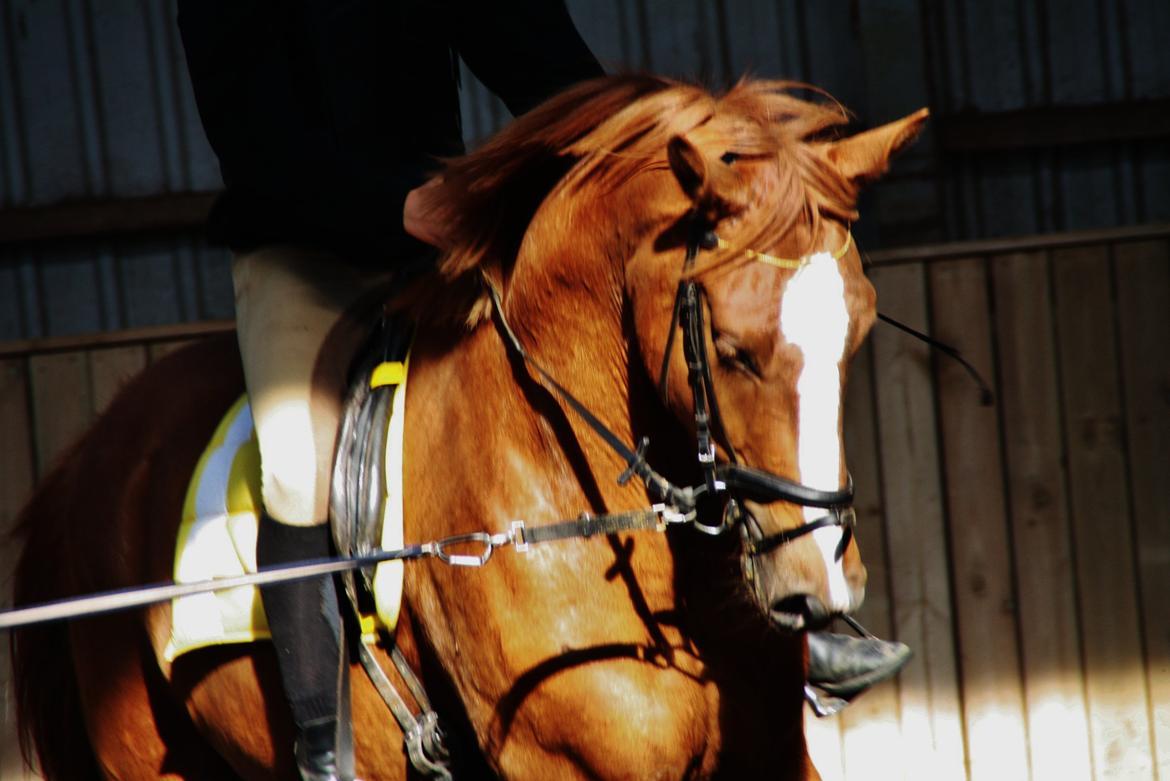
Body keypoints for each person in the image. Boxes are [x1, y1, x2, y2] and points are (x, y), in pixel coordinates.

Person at [177, 3, 905, 776]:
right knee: (295, 466)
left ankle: (788, 618)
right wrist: (400, 204)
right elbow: (257, 150)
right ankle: (321, 746)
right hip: (305, 254)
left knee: (671, 381)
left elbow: (540, 58)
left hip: (449, 241)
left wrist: (656, 151)